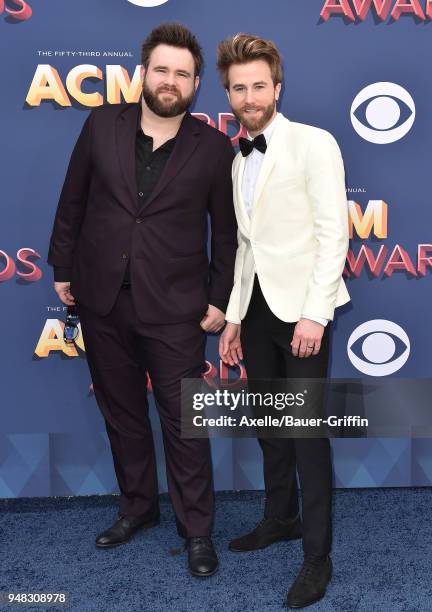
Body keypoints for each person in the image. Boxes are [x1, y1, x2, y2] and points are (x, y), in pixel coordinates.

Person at [48, 22, 237, 578]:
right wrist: (62, 266)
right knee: (124, 415)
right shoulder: (102, 124)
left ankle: (197, 530)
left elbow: (225, 233)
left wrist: (220, 297)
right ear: (143, 73)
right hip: (101, 298)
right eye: (162, 69)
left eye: (182, 73)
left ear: (196, 83)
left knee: (184, 424)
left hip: (176, 308)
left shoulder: (213, 146)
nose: (170, 80)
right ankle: (138, 507)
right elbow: (72, 198)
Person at [217, 33, 350, 608]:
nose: (250, 96)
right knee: (270, 427)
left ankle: (318, 558)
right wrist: (234, 318)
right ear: (228, 93)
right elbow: (248, 248)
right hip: (259, 313)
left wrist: (315, 316)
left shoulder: (313, 143)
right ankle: (281, 519)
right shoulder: (235, 157)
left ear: (278, 86)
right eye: (239, 87)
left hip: (304, 314)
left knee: (306, 436)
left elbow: (333, 235)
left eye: (259, 85)